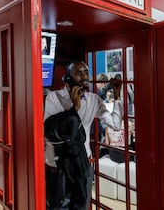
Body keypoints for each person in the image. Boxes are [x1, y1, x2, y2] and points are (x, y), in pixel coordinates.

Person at [43, 61, 124, 210]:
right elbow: (48, 132)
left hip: (82, 167)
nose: (84, 76)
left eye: (86, 72)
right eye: (79, 73)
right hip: (58, 168)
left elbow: (116, 125)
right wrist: (74, 109)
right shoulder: (54, 98)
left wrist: (117, 97)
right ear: (67, 78)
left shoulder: (94, 100)